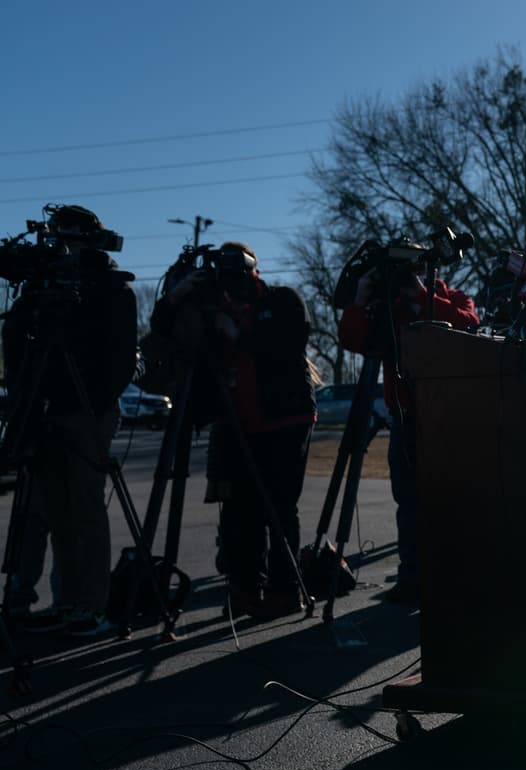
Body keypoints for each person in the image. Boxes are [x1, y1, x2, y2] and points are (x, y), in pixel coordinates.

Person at [152, 242, 316, 620]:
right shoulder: (211, 306)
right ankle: (246, 588)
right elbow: (163, 331)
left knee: (279, 506)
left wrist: (237, 334)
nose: (232, 286)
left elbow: (291, 344)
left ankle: (284, 590)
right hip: (236, 421)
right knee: (240, 511)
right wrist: (177, 295)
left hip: (285, 418)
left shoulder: (282, 299)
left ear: (254, 271)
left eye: (238, 276)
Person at [1, 204, 136, 638]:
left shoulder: (112, 288)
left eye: (70, 238)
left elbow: (119, 362)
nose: (62, 248)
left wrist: (89, 404)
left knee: (84, 509)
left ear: (91, 240)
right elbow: (16, 345)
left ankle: (92, 606)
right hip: (46, 408)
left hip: (86, 411)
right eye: (57, 238)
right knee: (55, 510)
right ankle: (67, 602)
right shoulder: (41, 288)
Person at [337, 257, 478, 603]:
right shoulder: (388, 309)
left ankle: (454, 575)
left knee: (451, 496)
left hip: (447, 413)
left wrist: (421, 295)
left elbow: (468, 325)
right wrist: (360, 299)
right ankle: (412, 576)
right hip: (404, 414)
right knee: (408, 499)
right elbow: (352, 340)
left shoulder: (454, 298)